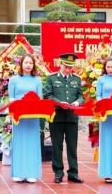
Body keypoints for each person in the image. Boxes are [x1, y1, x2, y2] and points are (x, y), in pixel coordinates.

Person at [43, 53, 84, 184]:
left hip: (72, 117)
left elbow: (81, 96)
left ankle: (73, 173)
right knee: (57, 146)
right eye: (65, 66)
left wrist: (77, 102)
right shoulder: (51, 78)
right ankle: (58, 172)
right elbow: (47, 95)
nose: (68, 69)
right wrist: (60, 103)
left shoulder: (76, 79)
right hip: (57, 117)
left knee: (72, 146)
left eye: (70, 67)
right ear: (60, 65)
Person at [9, 54, 43, 184]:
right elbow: (11, 99)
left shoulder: (37, 80)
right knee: (19, 143)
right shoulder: (13, 80)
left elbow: (39, 99)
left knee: (32, 142)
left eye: (30, 63)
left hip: (32, 117)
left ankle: (31, 173)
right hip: (19, 117)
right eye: (26, 62)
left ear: (33, 65)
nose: (28, 65)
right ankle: (19, 173)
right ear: (21, 64)